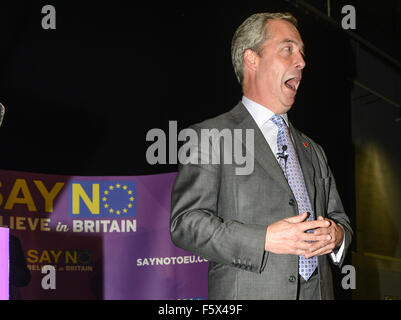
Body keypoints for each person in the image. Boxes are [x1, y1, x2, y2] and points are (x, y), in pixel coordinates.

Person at [170, 12, 352, 300]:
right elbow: (186, 224)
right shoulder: (210, 136)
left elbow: (340, 219)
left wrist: (337, 235)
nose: (302, 62)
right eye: (288, 49)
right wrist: (264, 239)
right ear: (252, 59)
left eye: (302, 53)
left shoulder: (313, 150)